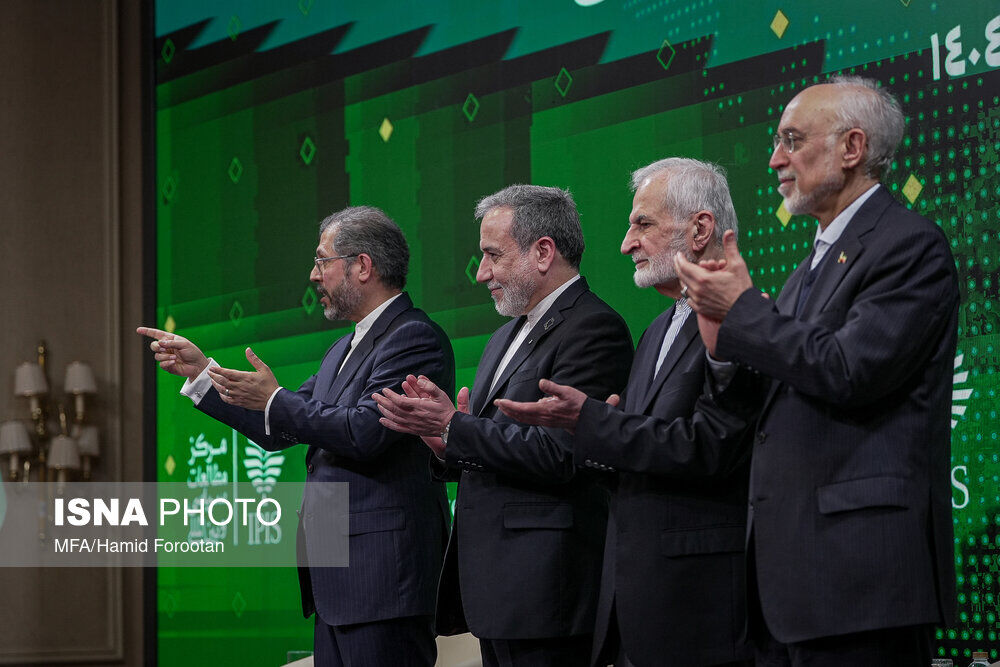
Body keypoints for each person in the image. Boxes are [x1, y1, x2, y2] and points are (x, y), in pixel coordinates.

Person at [674, 76, 959, 665]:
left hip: (861, 580)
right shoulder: (807, 268)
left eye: (792, 140)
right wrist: (722, 346)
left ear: (852, 148)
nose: (774, 159)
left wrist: (743, 311)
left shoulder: (910, 246)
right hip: (793, 583)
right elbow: (778, 393)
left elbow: (849, 369)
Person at [138, 206, 453, 667]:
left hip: (383, 582)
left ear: (363, 266)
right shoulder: (343, 348)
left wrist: (275, 398)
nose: (313, 274)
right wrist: (203, 373)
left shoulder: (413, 337)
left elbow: (365, 431)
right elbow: (279, 425)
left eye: (322, 260)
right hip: (338, 585)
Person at [495, 158, 754, 667]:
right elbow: (638, 452)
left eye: (643, 224)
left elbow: (710, 446)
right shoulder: (656, 330)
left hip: (700, 606)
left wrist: (591, 421)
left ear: (700, 229)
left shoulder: (742, 318)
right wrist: (593, 435)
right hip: (636, 606)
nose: (626, 243)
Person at [373, 184, 633, 666]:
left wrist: (456, 428)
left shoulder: (594, 328)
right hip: (497, 591)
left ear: (543, 252)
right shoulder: (503, 336)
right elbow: (493, 447)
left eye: (493, 255)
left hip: (548, 592)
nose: (481, 273)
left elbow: (562, 454)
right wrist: (445, 443)